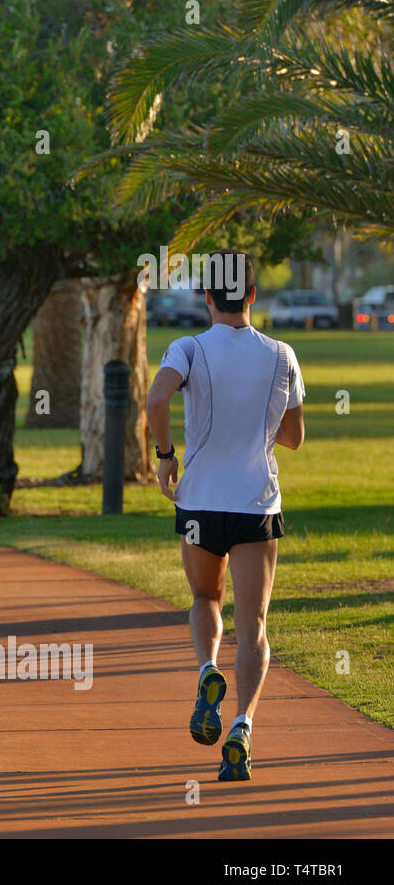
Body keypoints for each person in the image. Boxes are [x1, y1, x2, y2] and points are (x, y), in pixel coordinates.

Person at [145, 248, 305, 782]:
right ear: (253, 296)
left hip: (200, 502)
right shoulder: (282, 355)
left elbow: (155, 402)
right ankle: (241, 728)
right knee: (254, 623)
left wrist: (166, 457)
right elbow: (294, 437)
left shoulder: (187, 348)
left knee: (203, 598)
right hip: (256, 503)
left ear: (207, 297)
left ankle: (207, 670)